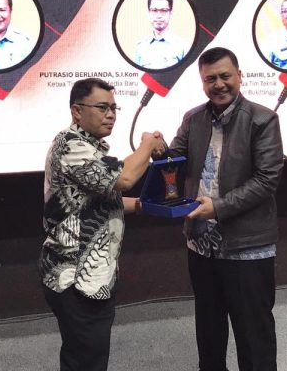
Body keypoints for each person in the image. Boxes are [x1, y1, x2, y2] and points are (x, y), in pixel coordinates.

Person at [168, 47, 284, 371]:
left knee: (254, 334)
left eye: (224, 76)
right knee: (209, 329)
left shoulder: (262, 119)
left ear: (239, 76)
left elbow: (267, 179)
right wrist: (159, 150)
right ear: (202, 82)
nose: (218, 84)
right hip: (201, 244)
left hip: (247, 246)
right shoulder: (193, 119)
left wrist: (218, 208)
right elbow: (174, 161)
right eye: (210, 79)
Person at [40, 77, 167, 371]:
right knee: (86, 360)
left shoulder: (91, 146)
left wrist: (143, 205)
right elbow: (124, 178)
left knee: (86, 356)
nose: (110, 114)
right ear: (77, 111)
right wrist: (147, 145)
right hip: (76, 280)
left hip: (91, 276)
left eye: (113, 108)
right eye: (102, 107)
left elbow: (100, 200)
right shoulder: (71, 146)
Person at [133, 0, 188, 69]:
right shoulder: (140, 47)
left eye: (164, 10)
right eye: (154, 10)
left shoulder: (182, 46)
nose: (158, 16)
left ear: (171, 13)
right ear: (149, 12)